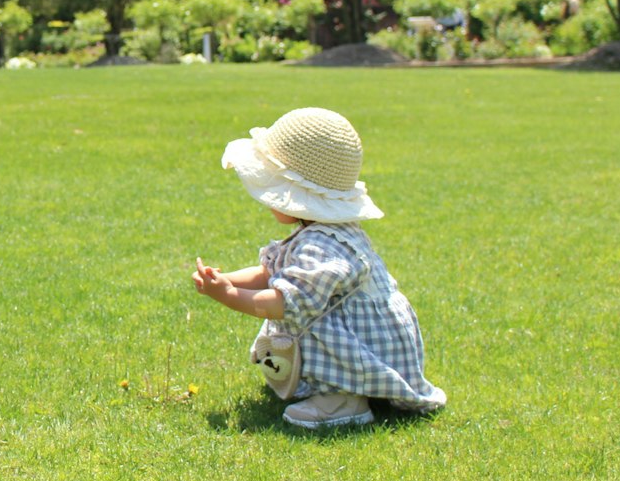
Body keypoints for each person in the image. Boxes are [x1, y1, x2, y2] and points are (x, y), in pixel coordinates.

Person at [191, 108, 446, 428]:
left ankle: (344, 398)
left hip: (363, 345)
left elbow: (287, 302)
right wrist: (225, 278)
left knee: (309, 320)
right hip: (369, 335)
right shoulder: (323, 231)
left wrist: (229, 294)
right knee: (308, 317)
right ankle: (327, 386)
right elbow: (272, 273)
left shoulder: (322, 247)